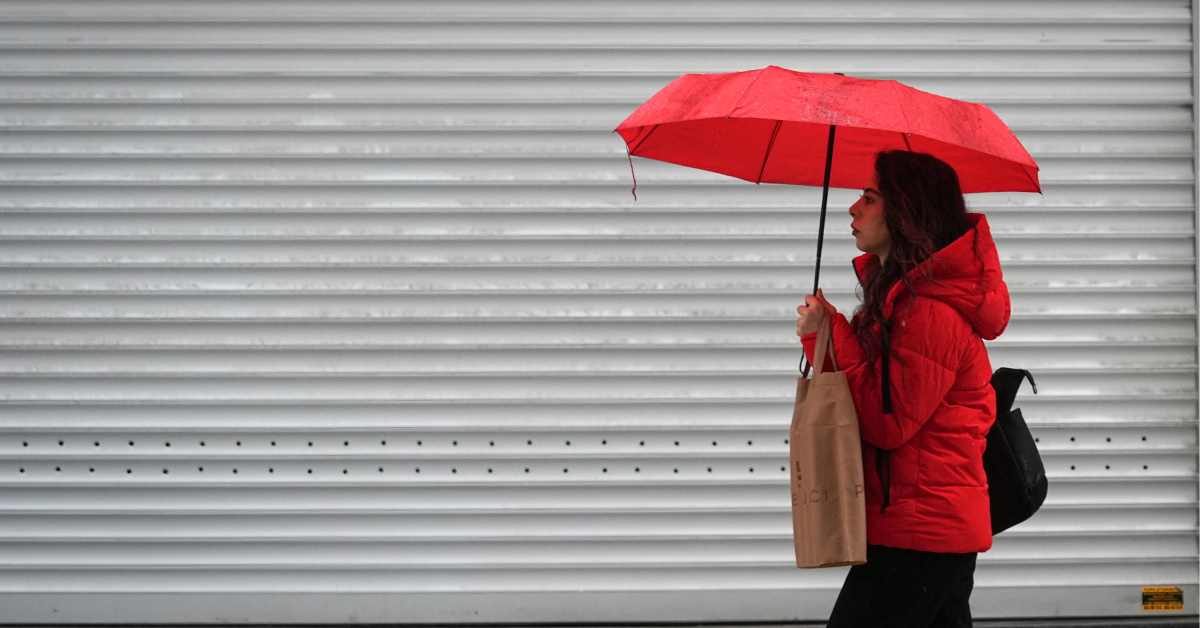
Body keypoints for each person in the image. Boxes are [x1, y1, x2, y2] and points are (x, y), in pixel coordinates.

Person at [795, 150, 1010, 628]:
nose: (853, 208)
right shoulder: (903, 300)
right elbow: (869, 392)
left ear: (906, 213)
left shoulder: (929, 313)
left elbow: (887, 423)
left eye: (870, 198)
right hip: (921, 530)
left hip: (920, 534)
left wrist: (830, 332)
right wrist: (826, 336)